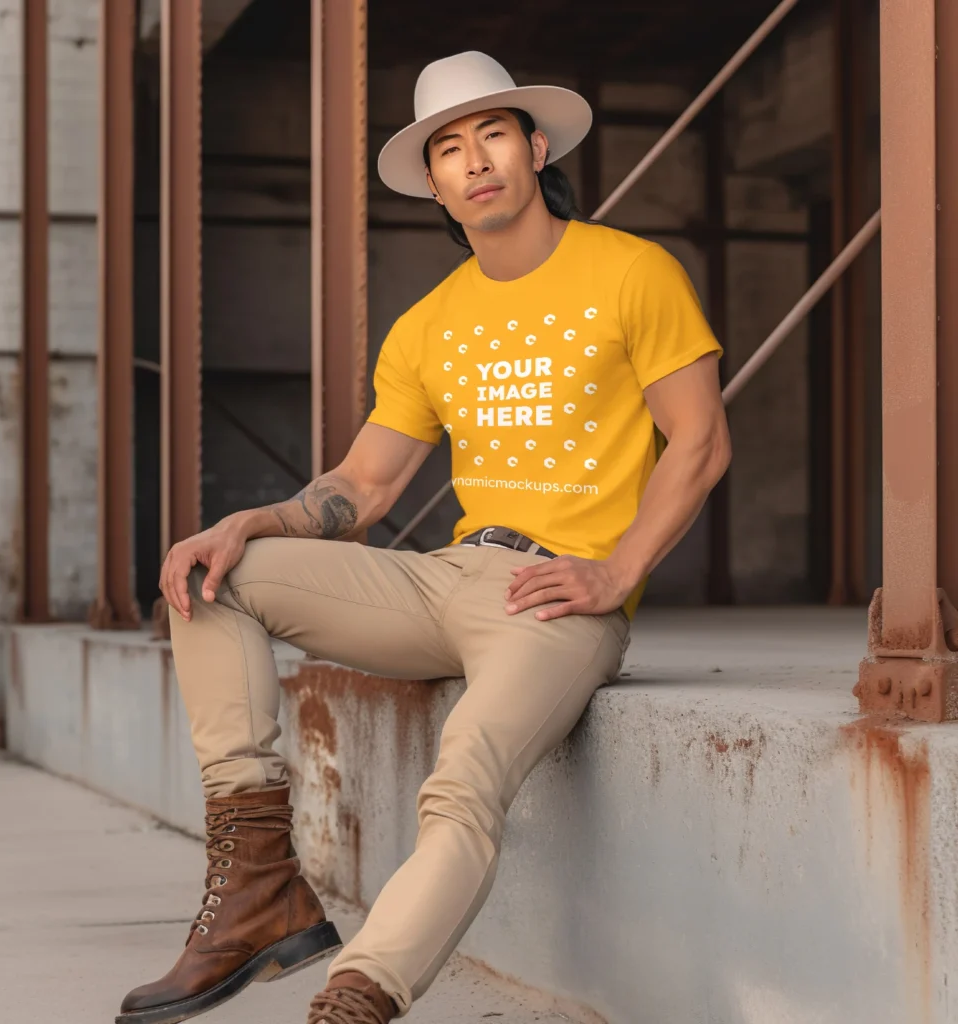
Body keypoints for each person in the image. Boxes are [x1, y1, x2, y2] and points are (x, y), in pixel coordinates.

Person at [117, 50, 730, 1024]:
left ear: (533, 147)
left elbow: (698, 440)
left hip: (551, 597)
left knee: (461, 782)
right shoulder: (430, 323)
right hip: (445, 576)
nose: (474, 159)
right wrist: (248, 521)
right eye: (449, 147)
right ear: (436, 183)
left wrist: (618, 570)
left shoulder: (630, 271)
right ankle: (259, 887)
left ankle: (355, 997)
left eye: (491, 133)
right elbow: (362, 486)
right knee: (214, 577)